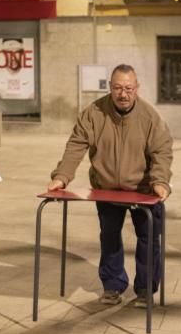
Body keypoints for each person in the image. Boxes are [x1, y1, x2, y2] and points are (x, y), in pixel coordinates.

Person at [48, 64, 173, 305]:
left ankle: (145, 290)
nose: (123, 94)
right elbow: (76, 145)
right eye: (117, 88)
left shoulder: (150, 117)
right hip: (106, 189)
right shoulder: (93, 113)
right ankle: (113, 285)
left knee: (148, 239)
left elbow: (162, 151)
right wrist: (62, 176)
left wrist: (160, 181)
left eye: (128, 88)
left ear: (136, 88)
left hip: (143, 189)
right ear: (109, 87)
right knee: (110, 238)